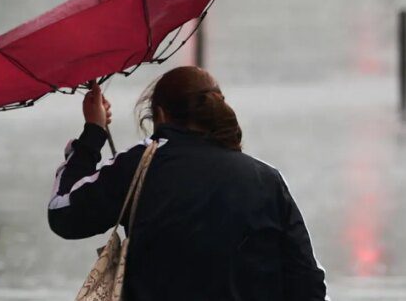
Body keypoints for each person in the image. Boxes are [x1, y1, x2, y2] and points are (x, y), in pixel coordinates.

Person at [48, 66, 328, 300]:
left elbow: (63, 214)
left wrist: (93, 133)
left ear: (160, 115)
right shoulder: (266, 179)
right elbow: (308, 283)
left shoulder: (138, 166)